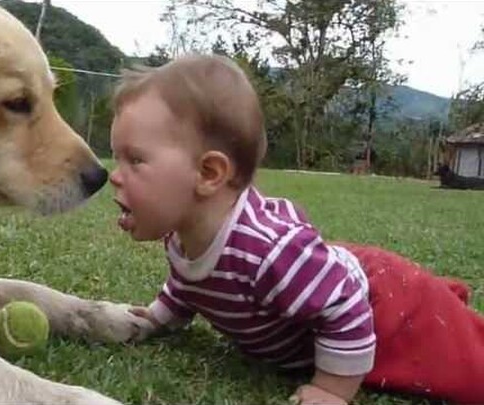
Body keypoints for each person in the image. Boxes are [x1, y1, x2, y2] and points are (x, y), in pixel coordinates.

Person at [108, 53, 484, 405]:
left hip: (378, 301)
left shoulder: (267, 251)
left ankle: (443, 304)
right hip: (321, 278)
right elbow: (189, 284)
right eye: (117, 156)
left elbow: (346, 306)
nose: (114, 175)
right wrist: (159, 317)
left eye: (135, 159)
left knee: (465, 362)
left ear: (208, 173)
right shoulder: (183, 234)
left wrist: (331, 389)